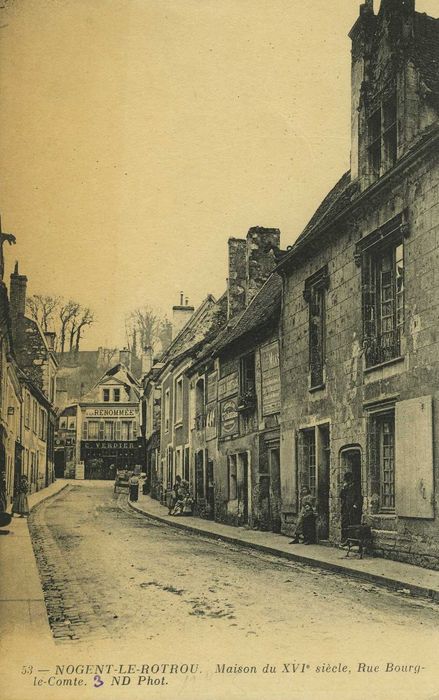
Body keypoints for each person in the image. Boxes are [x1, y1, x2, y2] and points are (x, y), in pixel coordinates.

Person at [340, 471, 360, 543]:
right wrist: (343, 488)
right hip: (345, 508)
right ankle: (345, 539)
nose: (347, 482)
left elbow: (359, 498)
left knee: (352, 524)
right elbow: (341, 496)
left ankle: (352, 540)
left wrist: (355, 505)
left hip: (352, 509)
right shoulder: (346, 488)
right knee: (344, 523)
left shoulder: (355, 487)